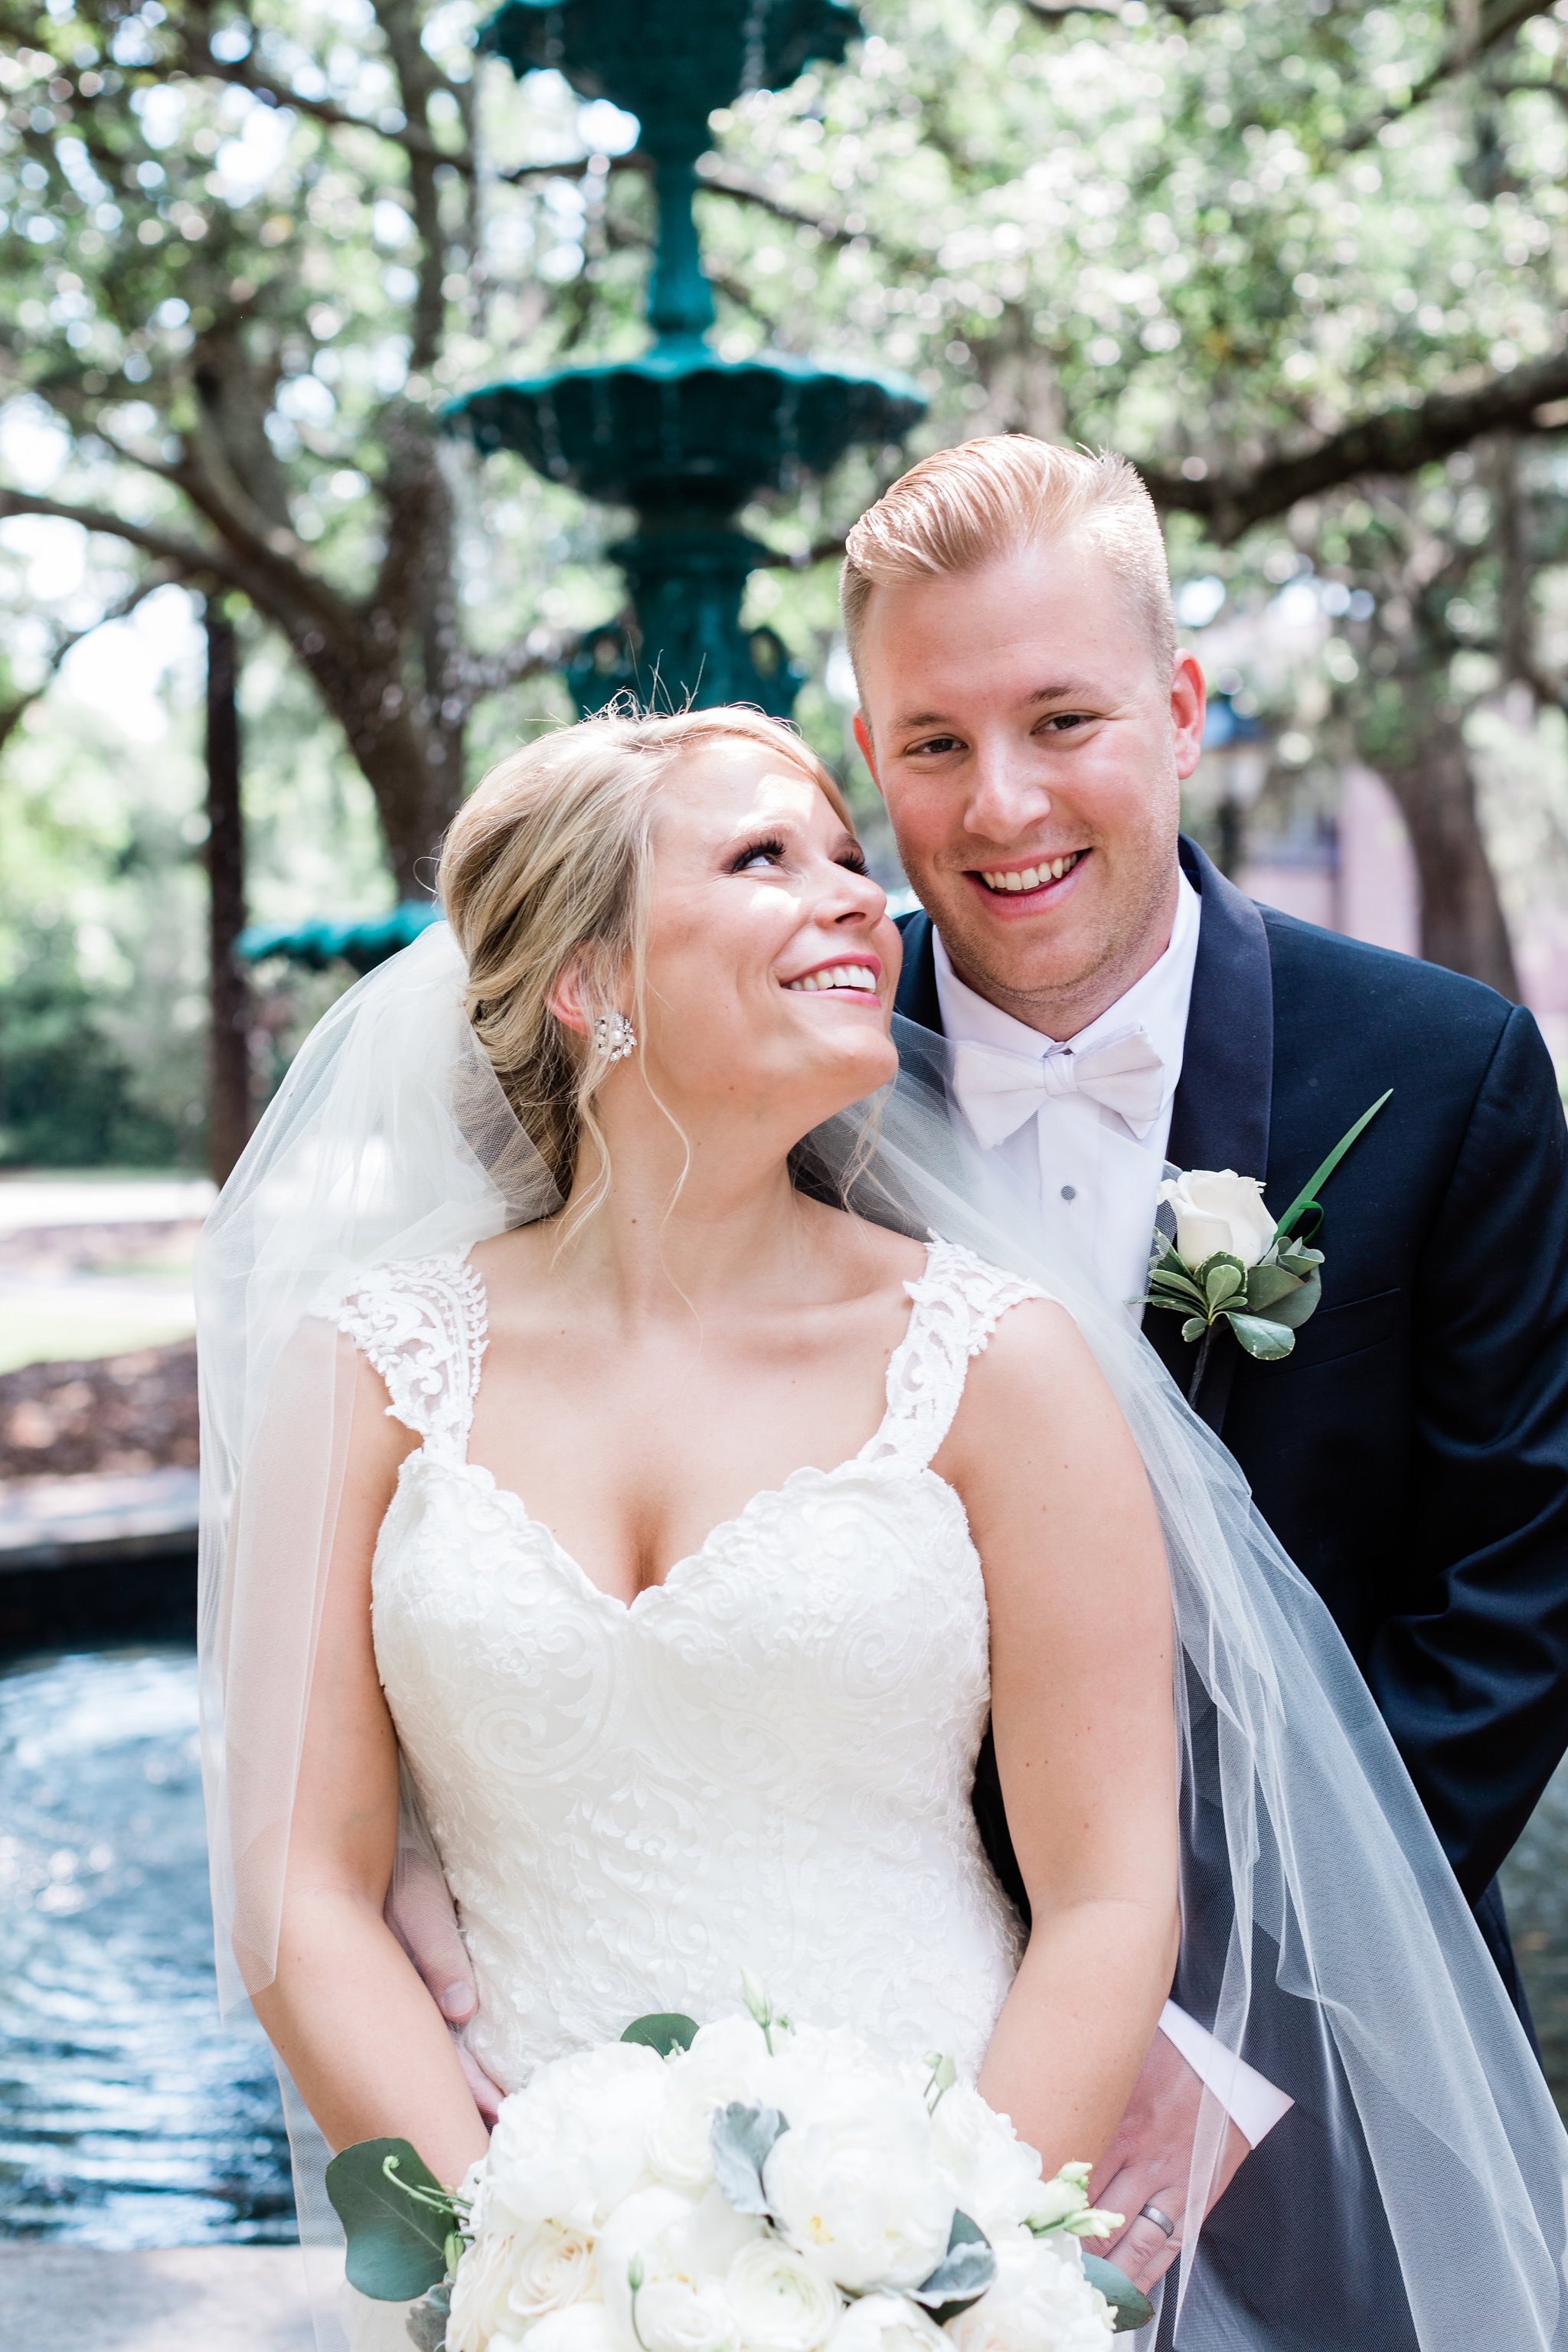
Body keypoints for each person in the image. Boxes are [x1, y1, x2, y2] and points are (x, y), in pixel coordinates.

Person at [198, 702, 1568, 2352]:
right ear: (587, 981)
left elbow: (1107, 1898)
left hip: (945, 2212)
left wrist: (943, 2281)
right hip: (522, 2260)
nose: (859, 899)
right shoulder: (363, 1369)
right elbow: (299, 1889)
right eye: (765, 858)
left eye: (847, 859)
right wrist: (504, 2263)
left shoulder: (1000, 1360)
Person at [837, 433, 1568, 2323]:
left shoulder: (1446, 1074)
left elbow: (1512, 1593)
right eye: (931, 743)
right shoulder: (801, 1104)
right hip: (884, 2057)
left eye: (1060, 719)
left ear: (1175, 707)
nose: (1000, 807)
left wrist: (1233, 2038)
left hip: (1337, 2060)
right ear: (869, 752)